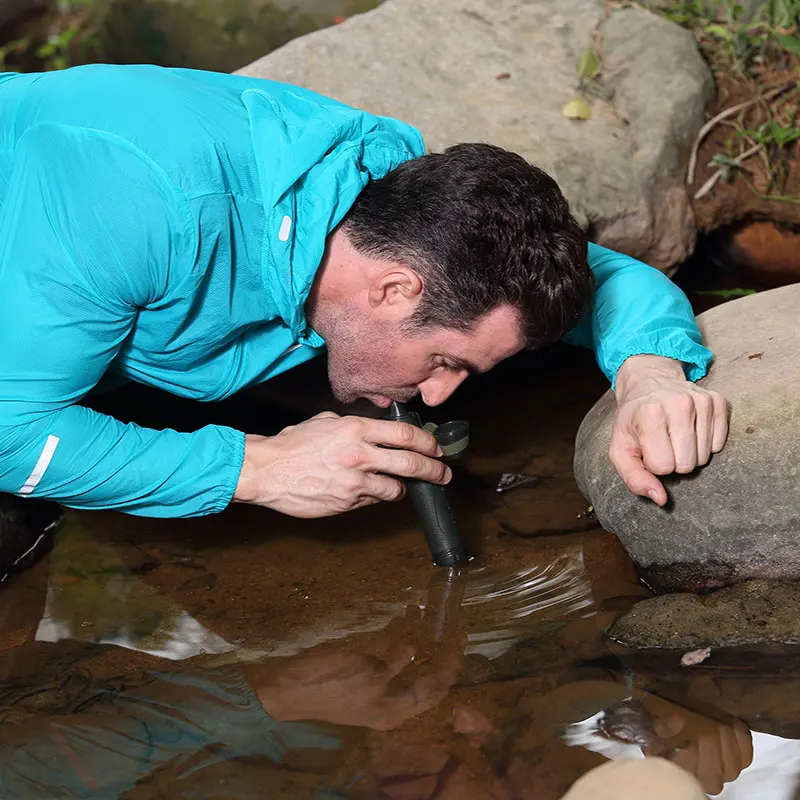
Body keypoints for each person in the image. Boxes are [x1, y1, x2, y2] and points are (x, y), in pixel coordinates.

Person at [0, 65, 727, 556]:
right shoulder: (145, 208)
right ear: (393, 290)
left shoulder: (392, 211)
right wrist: (258, 468)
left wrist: (650, 374)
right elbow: (11, 433)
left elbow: (610, 280)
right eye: (446, 362)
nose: (443, 393)